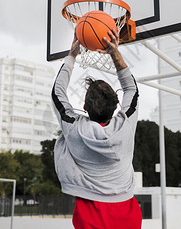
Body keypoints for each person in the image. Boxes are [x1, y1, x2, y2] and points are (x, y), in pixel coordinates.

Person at [52, 28, 142, 229]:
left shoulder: (75, 129)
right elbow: (132, 89)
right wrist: (114, 52)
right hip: (127, 213)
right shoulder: (125, 126)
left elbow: (57, 93)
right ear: (116, 107)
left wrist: (72, 55)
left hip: (90, 214)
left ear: (84, 108)